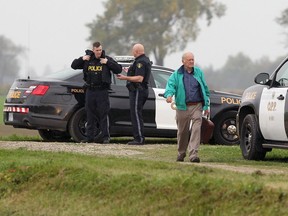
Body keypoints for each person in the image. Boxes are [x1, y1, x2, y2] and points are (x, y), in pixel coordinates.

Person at [71, 42, 122, 143]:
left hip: (102, 91)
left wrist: (107, 63)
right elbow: (73, 65)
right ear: (93, 50)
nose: (99, 52)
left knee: (103, 114)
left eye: (100, 50)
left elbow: (118, 69)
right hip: (90, 90)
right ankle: (89, 138)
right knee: (90, 114)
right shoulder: (88, 60)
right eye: (97, 50)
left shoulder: (106, 59)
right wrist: (82, 59)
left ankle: (105, 137)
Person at [164, 52, 210, 163]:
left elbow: (205, 89)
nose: (191, 61)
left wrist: (206, 105)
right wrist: (169, 95)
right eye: (189, 60)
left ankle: (193, 154)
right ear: (183, 61)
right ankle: (181, 153)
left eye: (193, 59)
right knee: (182, 132)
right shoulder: (176, 74)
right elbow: (170, 86)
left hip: (197, 106)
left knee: (196, 129)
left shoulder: (198, 73)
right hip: (182, 107)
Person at [117, 43, 151, 145]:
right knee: (136, 114)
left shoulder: (140, 62)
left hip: (138, 90)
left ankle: (139, 139)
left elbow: (140, 78)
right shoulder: (143, 60)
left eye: (133, 50)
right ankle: (138, 137)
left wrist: (124, 78)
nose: (132, 52)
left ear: (136, 51)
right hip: (138, 90)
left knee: (136, 114)